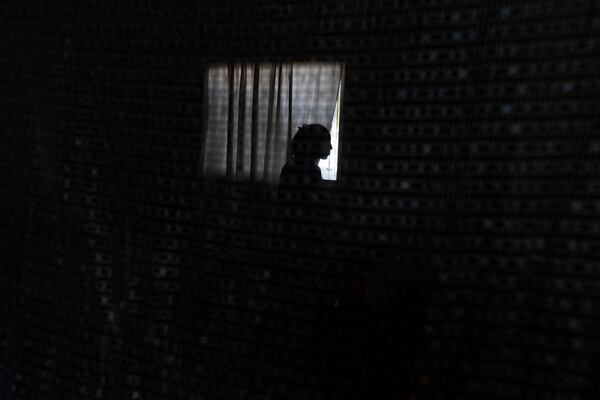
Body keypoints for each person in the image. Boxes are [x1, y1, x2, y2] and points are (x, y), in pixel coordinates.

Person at [279, 124, 332, 191]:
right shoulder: (311, 171)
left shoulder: (290, 166)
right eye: (327, 142)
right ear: (315, 143)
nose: (331, 147)